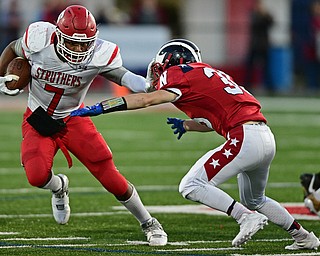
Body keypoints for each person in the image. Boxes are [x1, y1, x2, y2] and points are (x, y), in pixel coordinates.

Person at [71, 38, 320, 250]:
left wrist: (101, 108)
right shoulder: (212, 74)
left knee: (191, 185)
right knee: (256, 199)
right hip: (264, 135)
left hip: (244, 137)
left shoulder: (179, 73)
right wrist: (187, 125)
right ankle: (304, 237)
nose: (159, 73)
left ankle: (244, 217)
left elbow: (147, 100)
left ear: (170, 62)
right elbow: (214, 120)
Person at [0, 5, 167, 246]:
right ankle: (60, 187)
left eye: (84, 44)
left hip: (73, 119)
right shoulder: (38, 39)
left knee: (110, 177)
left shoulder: (99, 53)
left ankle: (149, 222)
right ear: (57, 35)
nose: (79, 49)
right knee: (36, 177)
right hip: (38, 117)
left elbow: (120, 75)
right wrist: (3, 76)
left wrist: (146, 85)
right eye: (72, 43)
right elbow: (12, 48)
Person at [245, 0, 274, 93]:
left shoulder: (265, 16)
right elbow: (255, 26)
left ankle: (269, 86)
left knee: (266, 67)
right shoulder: (254, 15)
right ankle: (247, 85)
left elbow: (271, 23)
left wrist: (265, 14)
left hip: (263, 45)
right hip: (255, 45)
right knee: (250, 67)